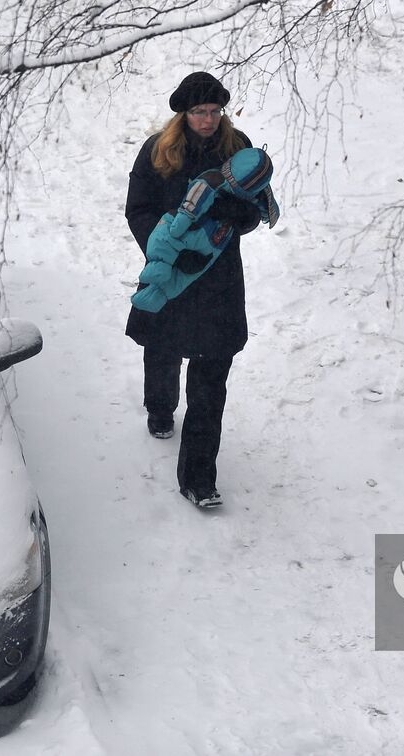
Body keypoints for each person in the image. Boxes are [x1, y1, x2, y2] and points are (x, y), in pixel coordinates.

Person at [125, 71, 263, 510]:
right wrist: (163, 248)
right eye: (199, 112)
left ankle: (199, 478)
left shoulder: (237, 148)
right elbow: (138, 208)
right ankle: (160, 406)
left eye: (215, 111)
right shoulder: (158, 150)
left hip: (219, 278)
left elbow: (256, 205)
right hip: (170, 270)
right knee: (163, 348)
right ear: (183, 113)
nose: (208, 119)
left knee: (210, 379)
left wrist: (239, 219)